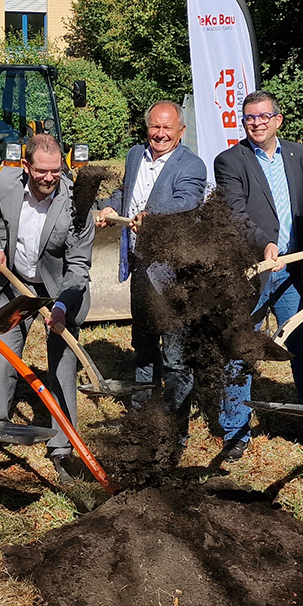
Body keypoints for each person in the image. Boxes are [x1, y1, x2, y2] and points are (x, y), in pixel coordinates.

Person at [0, 134, 94, 483]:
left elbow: (79, 266)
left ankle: (62, 448)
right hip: (17, 283)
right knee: (5, 357)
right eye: (41, 171)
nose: (49, 178)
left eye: (56, 171)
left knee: (63, 367)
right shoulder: (7, 182)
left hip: (60, 290)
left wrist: (63, 305)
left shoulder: (77, 202)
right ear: (26, 166)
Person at [214, 90, 303, 463]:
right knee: (240, 350)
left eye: (264, 116)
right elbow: (235, 214)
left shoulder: (299, 155)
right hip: (250, 272)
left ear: (278, 119)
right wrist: (264, 244)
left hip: (293, 271)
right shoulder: (230, 161)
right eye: (249, 117)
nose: (257, 123)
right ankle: (236, 432)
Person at [97, 101, 207, 426]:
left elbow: (187, 200)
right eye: (154, 127)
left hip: (172, 273)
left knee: (175, 354)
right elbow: (126, 192)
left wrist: (153, 216)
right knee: (143, 345)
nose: (160, 134)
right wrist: (110, 207)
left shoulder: (191, 165)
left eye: (167, 128)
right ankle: (141, 414)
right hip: (141, 268)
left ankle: (175, 425)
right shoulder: (135, 155)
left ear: (181, 131)